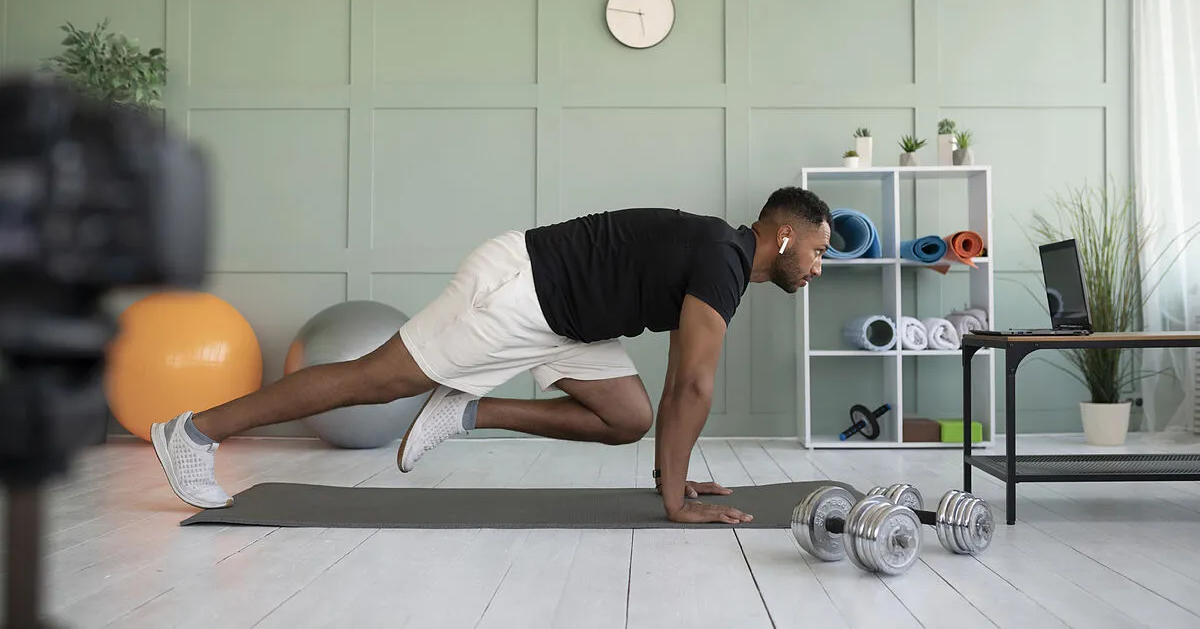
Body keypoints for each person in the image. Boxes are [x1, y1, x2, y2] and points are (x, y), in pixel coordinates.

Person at [150, 187, 831, 524]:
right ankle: (194, 432)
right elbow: (695, 388)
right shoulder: (722, 258)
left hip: (572, 321)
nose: (819, 265)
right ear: (783, 233)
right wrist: (679, 503)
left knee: (625, 415)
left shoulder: (720, 259)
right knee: (377, 379)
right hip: (524, 290)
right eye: (820, 250)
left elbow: (684, 378)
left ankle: (467, 411)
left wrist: (672, 480)